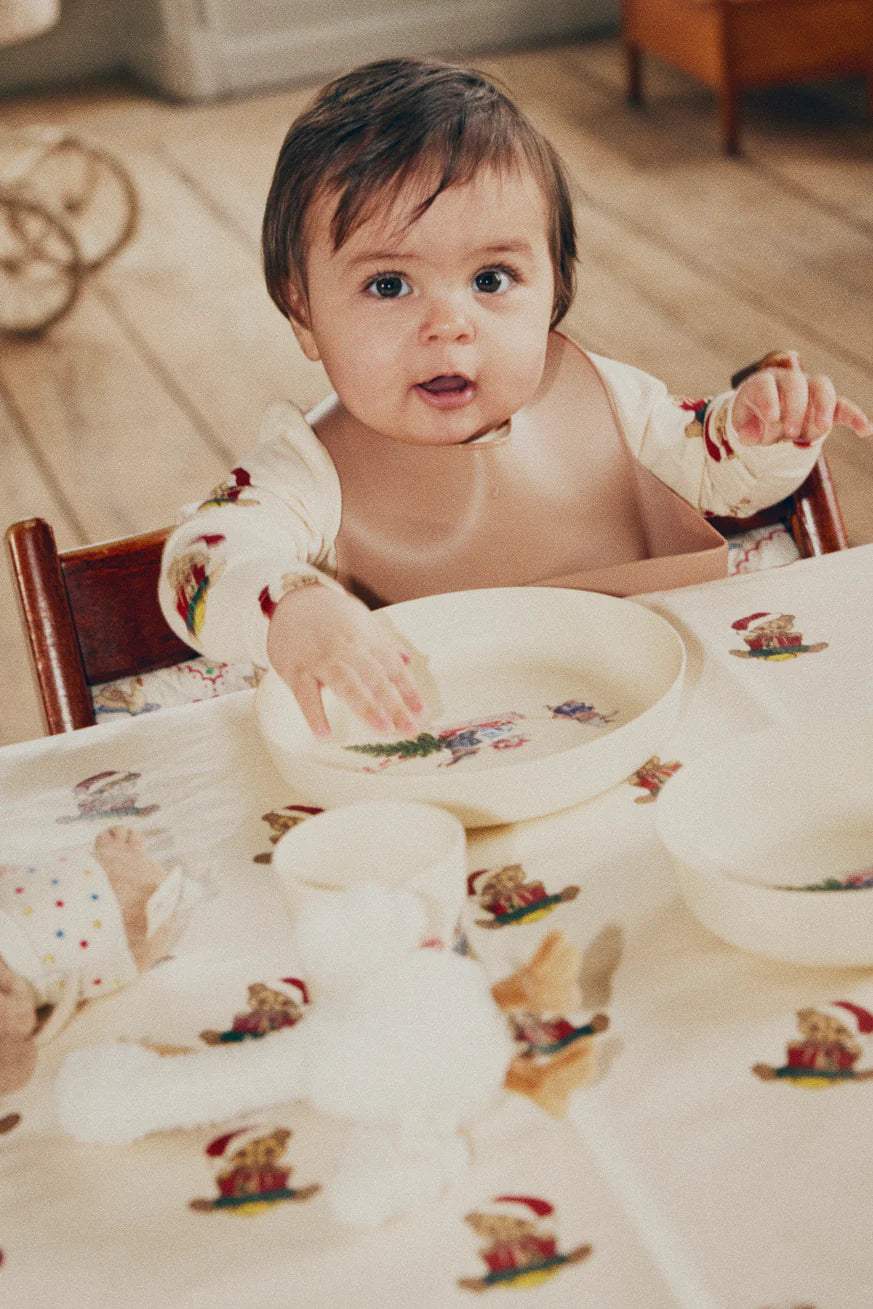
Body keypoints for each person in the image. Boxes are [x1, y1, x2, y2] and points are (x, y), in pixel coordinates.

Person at [158, 57, 872, 739]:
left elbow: (723, 475)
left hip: (652, 709)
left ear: (554, 289)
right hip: (438, 751)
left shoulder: (604, 398)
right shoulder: (306, 470)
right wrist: (291, 608)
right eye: (388, 285)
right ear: (303, 313)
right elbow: (203, 556)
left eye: (491, 279)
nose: (448, 325)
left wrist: (761, 432)